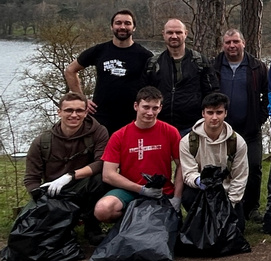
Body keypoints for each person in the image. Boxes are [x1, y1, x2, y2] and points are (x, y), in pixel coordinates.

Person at [23, 92, 111, 242]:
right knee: (25, 232)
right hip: (54, 192)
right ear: (59, 112)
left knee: (101, 179)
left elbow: (101, 162)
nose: (74, 115)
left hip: (84, 186)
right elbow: (32, 178)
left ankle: (91, 227)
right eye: (69, 110)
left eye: (79, 111)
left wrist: (70, 176)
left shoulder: (98, 132)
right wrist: (40, 197)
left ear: (85, 112)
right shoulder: (42, 141)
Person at [94, 86, 182, 223]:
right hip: (129, 190)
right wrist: (141, 189)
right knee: (103, 209)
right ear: (136, 106)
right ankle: (128, 224)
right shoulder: (119, 135)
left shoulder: (170, 132)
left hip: (161, 191)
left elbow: (181, 165)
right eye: (146, 107)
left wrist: (177, 198)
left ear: (160, 108)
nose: (150, 112)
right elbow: (108, 174)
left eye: (155, 108)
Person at [64, 9, 153, 135]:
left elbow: (155, 86)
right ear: (112, 27)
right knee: (101, 154)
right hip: (100, 118)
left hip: (132, 119)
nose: (122, 27)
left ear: (134, 28)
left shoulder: (145, 56)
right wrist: (81, 99)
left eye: (127, 23)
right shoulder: (99, 50)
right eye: (118, 23)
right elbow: (70, 70)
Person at [212, 28, 269, 219]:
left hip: (250, 128)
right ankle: (223, 204)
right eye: (228, 42)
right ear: (223, 45)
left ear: (243, 43)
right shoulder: (214, 67)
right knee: (222, 168)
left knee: (253, 167)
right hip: (221, 129)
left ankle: (251, 207)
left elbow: (269, 96)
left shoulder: (257, 67)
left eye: (235, 41)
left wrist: (260, 117)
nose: (232, 46)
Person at [145, 18, 219, 136]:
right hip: (161, 127)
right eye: (170, 32)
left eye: (178, 32)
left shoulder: (200, 62)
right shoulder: (153, 63)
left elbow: (212, 93)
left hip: (192, 128)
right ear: (163, 34)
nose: (174, 36)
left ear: (186, 34)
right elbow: (145, 94)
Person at [178, 93, 249, 212]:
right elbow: (188, 173)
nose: (214, 117)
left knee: (237, 227)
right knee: (188, 196)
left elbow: (239, 177)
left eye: (219, 112)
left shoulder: (238, 142)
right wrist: (199, 181)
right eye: (210, 112)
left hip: (226, 192)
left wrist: (230, 205)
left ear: (225, 113)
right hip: (200, 191)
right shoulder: (187, 142)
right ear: (203, 113)